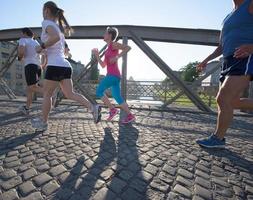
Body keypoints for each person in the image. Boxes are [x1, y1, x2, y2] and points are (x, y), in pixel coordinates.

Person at [32, 1, 101, 131]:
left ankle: (43, 122)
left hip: (55, 66)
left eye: (42, 11)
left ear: (46, 10)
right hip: (65, 65)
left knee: (47, 94)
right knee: (70, 94)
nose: (42, 14)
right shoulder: (58, 28)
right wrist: (43, 54)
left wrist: (40, 46)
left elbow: (55, 38)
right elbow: (56, 46)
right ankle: (93, 108)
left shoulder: (46, 23)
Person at [196, 0, 253, 148]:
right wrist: (206, 60)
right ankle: (218, 138)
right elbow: (221, 46)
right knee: (231, 102)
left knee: (223, 98)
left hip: (244, 57)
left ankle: (218, 139)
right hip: (228, 60)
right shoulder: (228, 16)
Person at [93, 27, 135, 124]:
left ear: (110, 35)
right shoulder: (108, 49)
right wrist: (97, 55)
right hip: (115, 76)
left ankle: (112, 110)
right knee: (117, 97)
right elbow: (103, 65)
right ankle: (130, 115)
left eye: (105, 33)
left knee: (99, 91)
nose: (103, 35)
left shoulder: (113, 44)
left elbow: (128, 48)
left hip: (113, 75)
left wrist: (117, 57)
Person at [18, 28, 43, 115]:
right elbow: (42, 53)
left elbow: (21, 51)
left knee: (32, 87)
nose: (20, 35)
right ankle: (27, 108)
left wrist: (19, 57)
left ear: (25, 33)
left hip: (30, 65)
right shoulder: (35, 42)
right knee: (30, 89)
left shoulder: (23, 40)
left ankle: (49, 93)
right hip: (38, 67)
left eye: (21, 33)